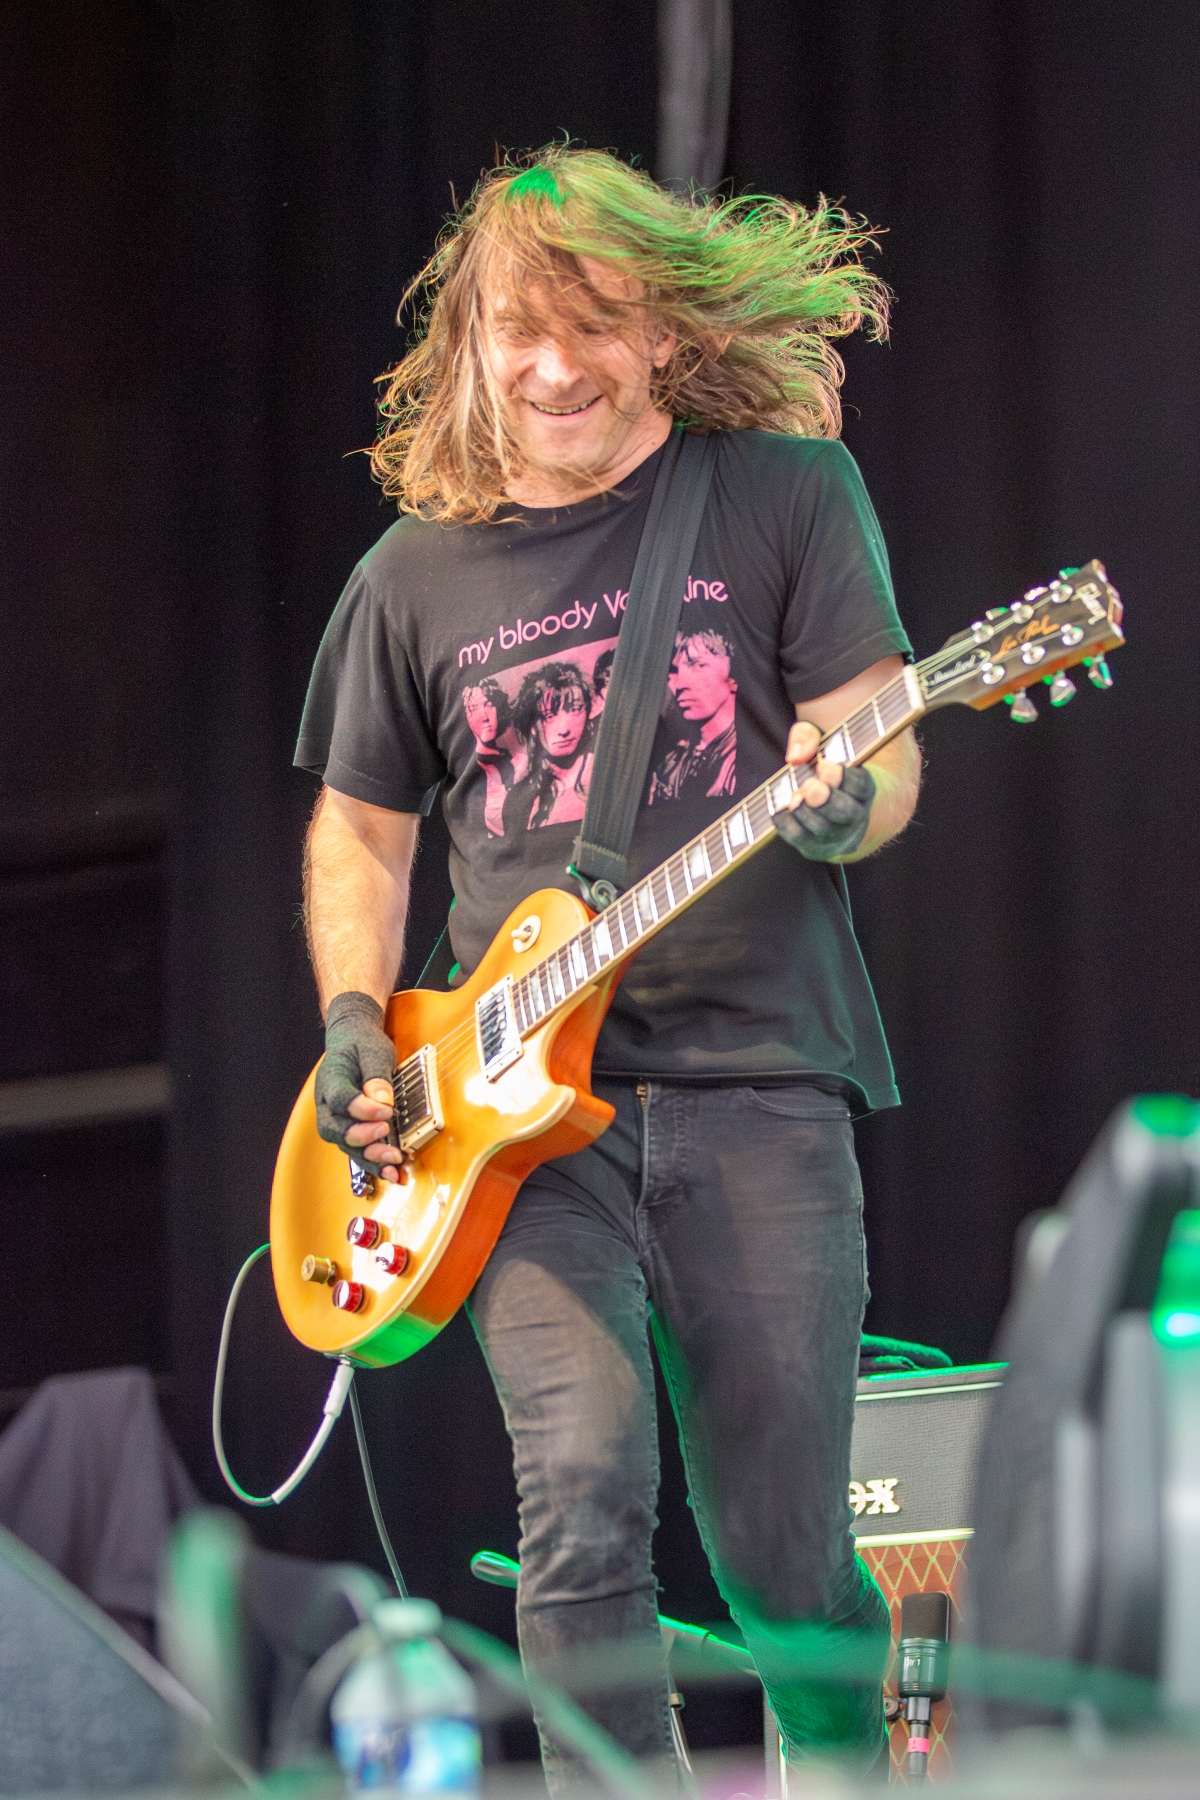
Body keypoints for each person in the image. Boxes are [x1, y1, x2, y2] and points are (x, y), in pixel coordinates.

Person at [295, 147, 920, 1786]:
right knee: (576, 1506)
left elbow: (877, 739)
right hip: (516, 1127)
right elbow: (359, 832)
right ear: (473, 343)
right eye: (521, 330)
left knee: (786, 1565)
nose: (556, 367)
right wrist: (355, 1015)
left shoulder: (782, 493)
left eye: (597, 325)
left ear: (663, 332)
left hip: (761, 1089)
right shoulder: (409, 578)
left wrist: (845, 799)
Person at [501, 660, 594, 833]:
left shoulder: (606, 775)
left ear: (587, 711)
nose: (564, 730)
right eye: (549, 716)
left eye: (575, 709)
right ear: (532, 726)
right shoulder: (517, 800)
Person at [650, 623, 739, 802]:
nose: (680, 684)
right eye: (674, 672)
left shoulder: (744, 759)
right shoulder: (671, 763)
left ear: (733, 676)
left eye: (698, 665)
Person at [462, 676, 516, 835]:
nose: (485, 716)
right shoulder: (477, 768)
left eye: (489, 705)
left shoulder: (509, 757)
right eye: (473, 708)